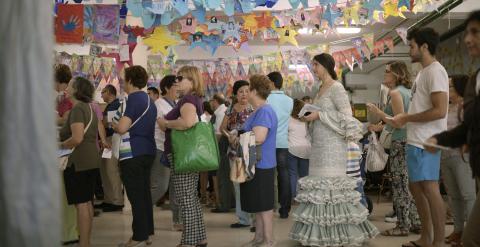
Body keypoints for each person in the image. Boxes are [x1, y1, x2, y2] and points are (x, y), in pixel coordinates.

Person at [289, 53, 378, 246]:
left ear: (326, 66)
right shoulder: (320, 88)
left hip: (333, 146)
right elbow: (322, 113)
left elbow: (347, 116)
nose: (314, 69)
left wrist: (319, 115)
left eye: (316, 65)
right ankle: (319, 233)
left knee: (332, 187)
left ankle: (338, 233)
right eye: (313, 65)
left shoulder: (337, 88)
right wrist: (309, 116)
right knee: (319, 186)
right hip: (319, 145)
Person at [387, 28, 449, 247]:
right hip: (415, 139)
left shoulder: (435, 71)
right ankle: (426, 236)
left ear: (424, 46)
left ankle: (438, 241)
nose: (409, 49)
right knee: (416, 188)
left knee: (430, 188)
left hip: (427, 140)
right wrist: (405, 119)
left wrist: (407, 117)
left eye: (412, 45)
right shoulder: (423, 73)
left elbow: (440, 110)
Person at [425, 11, 480, 246]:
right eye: (466, 32)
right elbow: (469, 125)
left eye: (475, 32)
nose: (468, 39)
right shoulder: (475, 79)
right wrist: (439, 139)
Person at [367, 61, 421, 237]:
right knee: (408, 185)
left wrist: (379, 112)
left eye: (387, 71)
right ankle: (415, 221)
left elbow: (399, 122)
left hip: (401, 143)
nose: (385, 73)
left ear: (396, 74)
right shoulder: (407, 92)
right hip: (410, 141)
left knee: (399, 186)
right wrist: (381, 125)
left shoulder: (396, 93)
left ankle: (402, 225)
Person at [158, 66, 208, 247]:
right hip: (188, 153)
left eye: (181, 78)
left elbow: (186, 123)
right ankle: (199, 237)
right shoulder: (195, 99)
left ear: (192, 81)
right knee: (191, 198)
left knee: (185, 199)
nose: (176, 81)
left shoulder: (187, 99)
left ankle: (189, 241)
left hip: (182, 154)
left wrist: (166, 122)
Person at [113, 66, 157, 247]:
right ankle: (146, 233)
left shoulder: (134, 99)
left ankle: (138, 236)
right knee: (144, 194)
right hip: (147, 150)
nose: (123, 83)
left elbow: (122, 127)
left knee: (136, 196)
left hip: (133, 152)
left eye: (124, 80)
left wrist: (114, 126)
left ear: (130, 80)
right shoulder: (149, 100)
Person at [59, 77, 101, 247]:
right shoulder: (89, 108)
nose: (66, 88)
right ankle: (86, 242)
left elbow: (77, 138)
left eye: (69, 85)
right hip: (90, 159)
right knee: (87, 202)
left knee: (81, 204)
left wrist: (59, 144)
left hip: (79, 161)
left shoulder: (77, 109)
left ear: (77, 90)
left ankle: (83, 243)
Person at [239, 75, 278, 247]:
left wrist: (238, 138)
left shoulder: (264, 111)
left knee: (264, 205)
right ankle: (259, 238)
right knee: (259, 204)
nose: (247, 93)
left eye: (249, 90)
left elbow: (259, 137)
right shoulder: (257, 110)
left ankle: (268, 240)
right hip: (255, 162)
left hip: (262, 163)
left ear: (255, 91)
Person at [441, 75, 475, 247]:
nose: (448, 90)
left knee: (468, 195)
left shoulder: (465, 106)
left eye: (451, 87)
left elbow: (471, 128)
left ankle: (471, 234)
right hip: (446, 156)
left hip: (461, 157)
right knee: (453, 197)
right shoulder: (447, 107)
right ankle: (458, 230)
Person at [219, 80, 254, 228]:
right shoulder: (231, 109)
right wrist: (229, 136)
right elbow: (222, 128)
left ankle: (255, 219)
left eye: (247, 90)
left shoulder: (254, 108)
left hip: (250, 152)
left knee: (252, 185)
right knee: (238, 185)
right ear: (236, 94)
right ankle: (243, 219)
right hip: (234, 152)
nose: (244, 94)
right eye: (241, 91)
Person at [150, 75, 183, 231]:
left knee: (176, 187)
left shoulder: (177, 103)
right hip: (160, 149)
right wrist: (181, 123)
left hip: (175, 149)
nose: (179, 88)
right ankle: (142, 211)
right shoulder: (158, 104)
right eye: (176, 85)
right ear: (167, 88)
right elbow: (163, 127)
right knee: (160, 186)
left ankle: (177, 221)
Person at [54, 64, 79, 245]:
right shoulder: (62, 100)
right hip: (62, 148)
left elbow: (67, 121)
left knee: (67, 194)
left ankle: (70, 232)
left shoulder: (71, 103)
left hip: (66, 150)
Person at [267, 71, 293, 219]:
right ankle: (285, 209)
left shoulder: (266, 99)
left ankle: (269, 208)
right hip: (283, 142)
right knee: (284, 176)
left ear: (271, 83)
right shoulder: (289, 100)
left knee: (268, 177)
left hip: (268, 142)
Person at [98, 84, 124, 212]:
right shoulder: (110, 105)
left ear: (109, 92)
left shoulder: (116, 105)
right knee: (105, 169)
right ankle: (108, 199)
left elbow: (109, 124)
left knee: (111, 169)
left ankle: (117, 200)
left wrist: (102, 123)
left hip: (112, 140)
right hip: (106, 141)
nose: (101, 95)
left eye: (103, 92)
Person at [210, 93, 233, 214]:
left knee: (222, 176)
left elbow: (220, 132)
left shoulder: (221, 113)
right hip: (226, 145)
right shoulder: (224, 110)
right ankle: (227, 202)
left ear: (215, 101)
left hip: (222, 146)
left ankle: (224, 204)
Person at [287, 99, 310, 200]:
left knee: (292, 174)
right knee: (304, 175)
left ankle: (293, 196)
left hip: (292, 148)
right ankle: (304, 196)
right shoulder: (306, 120)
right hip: (305, 149)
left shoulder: (288, 119)